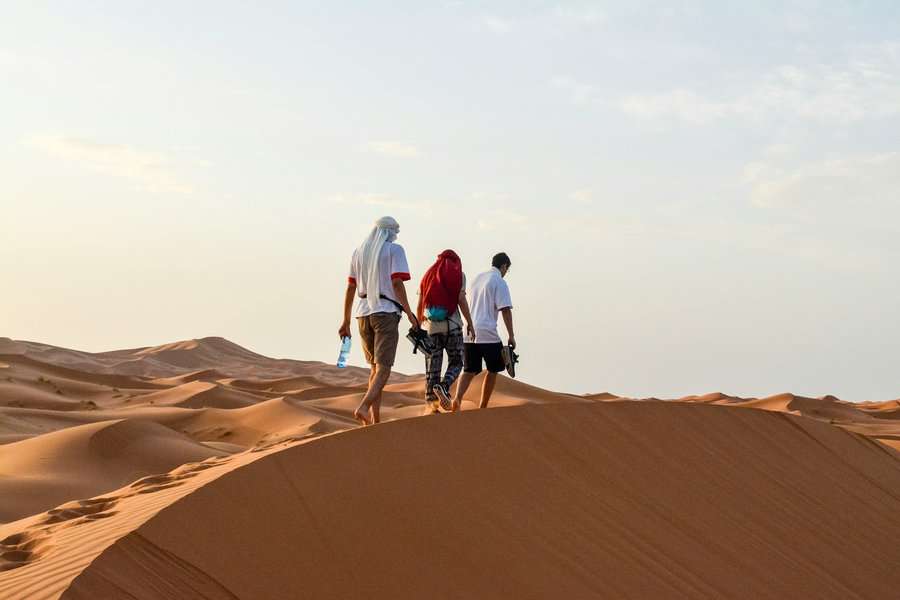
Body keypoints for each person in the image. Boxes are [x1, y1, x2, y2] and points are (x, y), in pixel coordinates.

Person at [339, 216, 418, 425]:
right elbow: (397, 282)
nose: (396, 236)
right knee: (384, 368)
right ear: (388, 232)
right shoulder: (394, 250)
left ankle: (374, 420)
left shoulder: (358, 252)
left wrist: (345, 321)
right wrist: (410, 313)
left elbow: (350, 287)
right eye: (395, 232)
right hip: (386, 312)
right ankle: (364, 407)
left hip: (363, 313)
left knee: (374, 368)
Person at [453, 252, 515, 411]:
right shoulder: (499, 281)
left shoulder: (477, 278)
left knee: (469, 370)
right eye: (506, 270)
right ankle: (483, 407)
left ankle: (457, 399)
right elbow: (505, 309)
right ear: (503, 266)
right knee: (494, 368)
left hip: (470, 331)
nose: (505, 273)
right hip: (487, 331)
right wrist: (511, 336)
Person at [416, 250, 475, 413]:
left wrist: (418, 324)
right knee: (457, 362)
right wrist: (469, 322)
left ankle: (431, 407)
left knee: (432, 367)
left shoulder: (428, 275)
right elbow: (461, 300)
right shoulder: (458, 275)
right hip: (453, 326)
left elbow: (420, 302)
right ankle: (444, 385)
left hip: (431, 328)